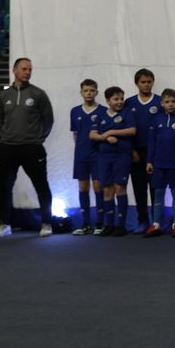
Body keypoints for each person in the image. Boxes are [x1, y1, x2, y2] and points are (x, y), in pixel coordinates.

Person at [87, 85, 133, 236]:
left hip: (121, 156)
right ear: (108, 100)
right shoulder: (100, 115)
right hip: (104, 157)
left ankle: (121, 225)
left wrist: (112, 132)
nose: (119, 102)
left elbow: (132, 130)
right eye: (115, 99)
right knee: (107, 189)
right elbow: (92, 134)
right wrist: (105, 137)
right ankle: (109, 224)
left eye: (121, 98)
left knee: (120, 187)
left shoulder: (127, 113)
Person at [144, 89, 175, 238]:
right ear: (162, 103)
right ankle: (156, 224)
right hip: (158, 164)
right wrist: (149, 161)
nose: (170, 104)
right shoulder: (156, 120)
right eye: (167, 102)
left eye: (173, 101)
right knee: (158, 193)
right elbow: (151, 142)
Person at [123, 68, 160, 234]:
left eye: (149, 81)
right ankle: (142, 220)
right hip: (136, 152)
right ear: (136, 83)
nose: (146, 85)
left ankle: (157, 221)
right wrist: (131, 150)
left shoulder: (159, 101)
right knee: (139, 188)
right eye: (143, 82)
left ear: (153, 82)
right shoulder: (129, 103)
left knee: (155, 187)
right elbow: (124, 127)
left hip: (155, 152)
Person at [69, 78, 103, 234]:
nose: (89, 93)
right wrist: (80, 149)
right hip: (81, 155)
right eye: (86, 91)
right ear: (81, 92)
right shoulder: (75, 111)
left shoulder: (103, 111)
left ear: (96, 92)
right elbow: (76, 134)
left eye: (92, 90)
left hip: (97, 155)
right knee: (83, 187)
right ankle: (86, 224)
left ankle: (100, 223)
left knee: (98, 186)